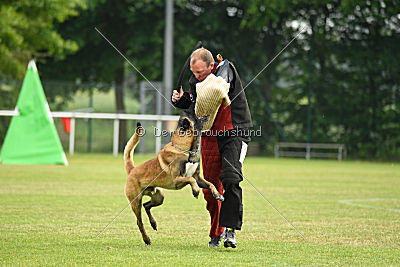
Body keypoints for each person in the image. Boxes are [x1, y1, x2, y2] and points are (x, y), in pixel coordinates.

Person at [171, 48, 252, 248]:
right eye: (194, 73)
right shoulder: (194, 82)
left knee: (231, 179)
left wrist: (200, 88)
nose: (197, 77)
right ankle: (217, 231)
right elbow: (196, 108)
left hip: (235, 132)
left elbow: (217, 87)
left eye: (201, 72)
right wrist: (182, 100)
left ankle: (230, 231)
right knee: (209, 189)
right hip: (210, 136)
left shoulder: (225, 69)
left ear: (211, 65)